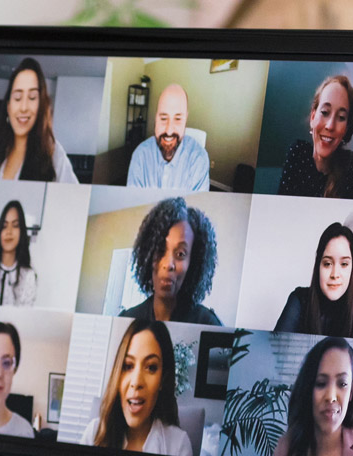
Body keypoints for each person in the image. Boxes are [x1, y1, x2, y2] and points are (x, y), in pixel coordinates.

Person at [83, 319, 193, 456]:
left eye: (151, 368)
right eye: (128, 366)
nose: (136, 382)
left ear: (162, 380)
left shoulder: (178, 445)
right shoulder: (93, 434)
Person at [118, 198, 224, 326]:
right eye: (160, 250)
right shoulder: (126, 320)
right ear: (148, 254)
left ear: (193, 263)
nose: (168, 264)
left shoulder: (208, 324)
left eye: (180, 254)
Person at [271, 337, 353, 456]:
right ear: (308, 389)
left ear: (351, 392)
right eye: (321, 383)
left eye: (342, 384)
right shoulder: (286, 448)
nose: (331, 396)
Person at [0, 58, 79, 183]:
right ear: (8, 106)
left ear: (41, 106)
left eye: (32, 98)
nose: (23, 108)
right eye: (17, 98)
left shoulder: (53, 154)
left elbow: (73, 199)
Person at [273, 223, 353, 339]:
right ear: (318, 266)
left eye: (344, 264)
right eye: (327, 264)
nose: (335, 274)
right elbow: (274, 350)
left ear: (352, 269)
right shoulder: (299, 301)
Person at [278, 75, 353, 200]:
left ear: (347, 129)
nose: (330, 126)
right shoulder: (298, 152)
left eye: (341, 117)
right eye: (325, 112)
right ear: (312, 117)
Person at [126, 84, 210, 191]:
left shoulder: (199, 159)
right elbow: (133, 204)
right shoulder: (140, 156)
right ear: (156, 118)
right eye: (163, 118)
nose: (169, 131)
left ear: (186, 119)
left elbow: (197, 206)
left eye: (178, 119)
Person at [0, 201, 39, 307]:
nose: (9, 231)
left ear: (22, 232)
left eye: (15, 225)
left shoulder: (28, 276)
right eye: (4, 226)